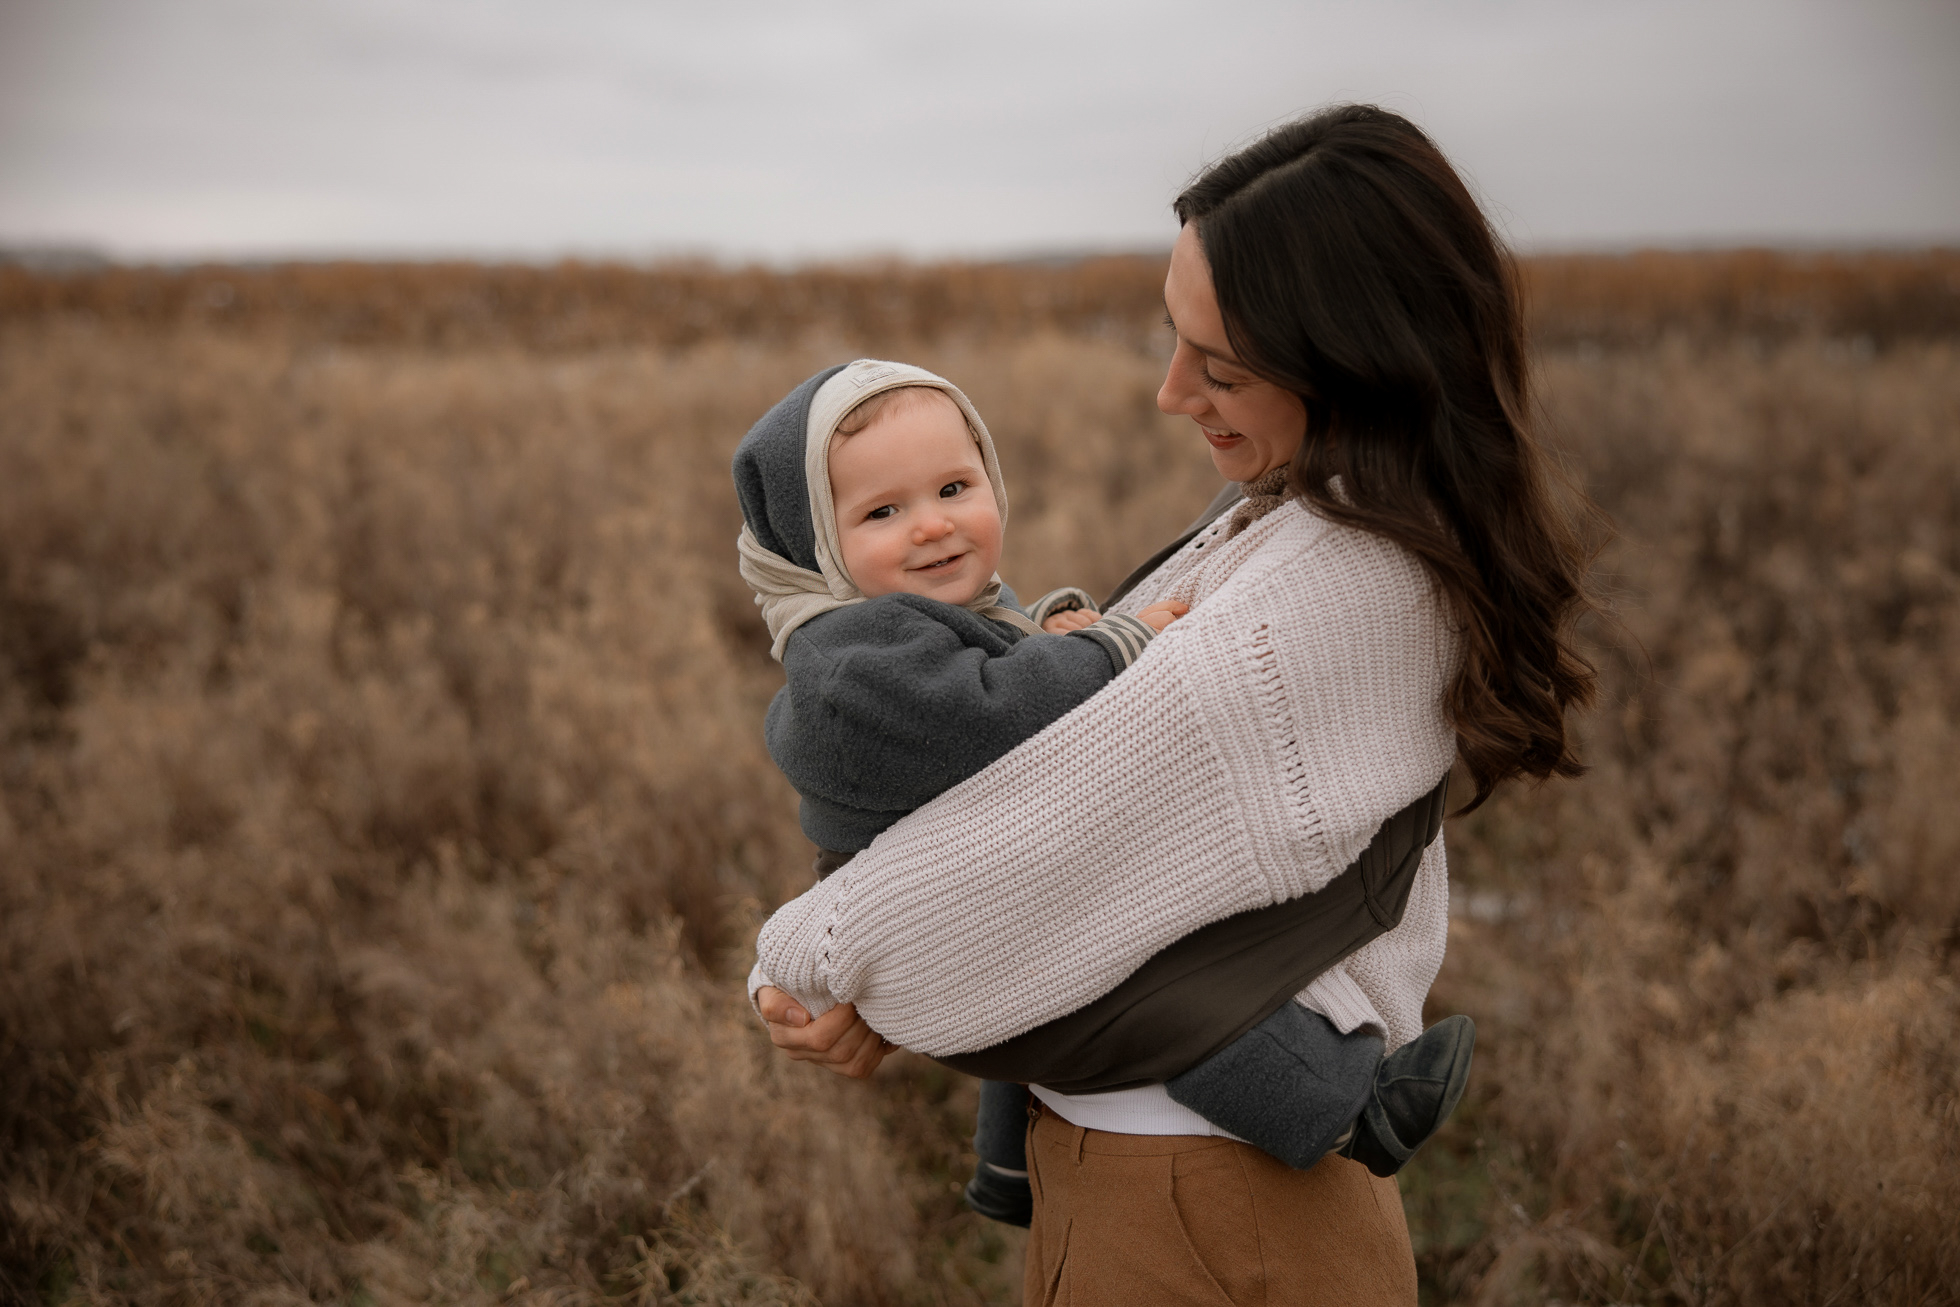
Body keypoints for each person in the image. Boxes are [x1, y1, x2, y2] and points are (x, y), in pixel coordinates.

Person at [753, 103, 1597, 1304]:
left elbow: (1028, 863)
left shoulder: (1332, 591)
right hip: (1169, 1183)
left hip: (1201, 1199)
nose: (1168, 391)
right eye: (1173, 338)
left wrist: (806, 961)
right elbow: (1058, 869)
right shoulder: (1306, 512)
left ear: (1357, 359)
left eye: (1222, 366)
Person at [733, 356, 1477, 1229]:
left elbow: (1001, 670)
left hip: (977, 900)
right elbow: (992, 714)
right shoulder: (850, 659)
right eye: (882, 512)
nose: (932, 524)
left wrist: (1054, 628)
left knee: (1053, 998)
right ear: (816, 548)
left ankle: (1008, 1165)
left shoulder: (905, 619)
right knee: (1166, 992)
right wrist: (1118, 643)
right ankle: (1347, 1110)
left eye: (954, 487)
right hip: (947, 910)